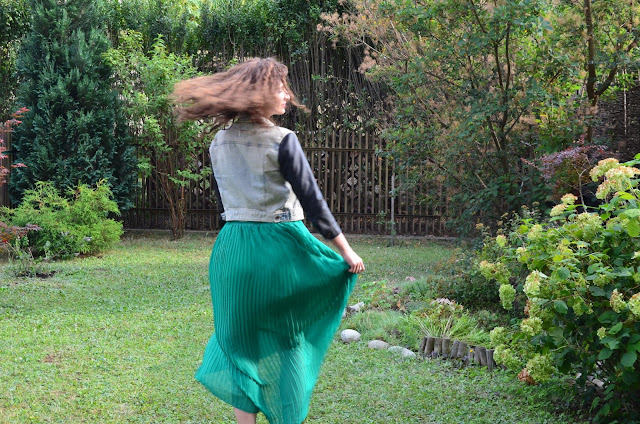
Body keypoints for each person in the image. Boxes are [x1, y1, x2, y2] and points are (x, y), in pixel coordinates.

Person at [172, 57, 364, 424]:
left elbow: (225, 203)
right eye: (280, 88)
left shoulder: (218, 142)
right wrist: (345, 250)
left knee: (241, 344)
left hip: (231, 250)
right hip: (279, 248)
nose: (287, 96)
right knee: (289, 339)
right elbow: (313, 201)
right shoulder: (282, 140)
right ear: (259, 94)